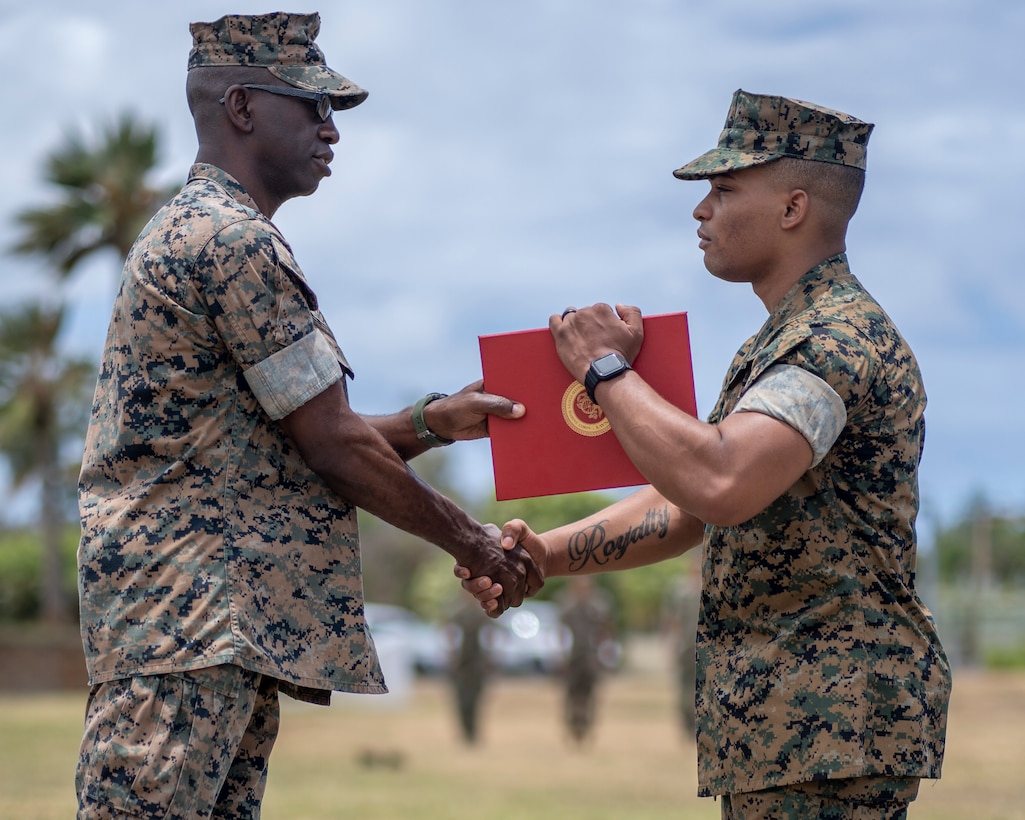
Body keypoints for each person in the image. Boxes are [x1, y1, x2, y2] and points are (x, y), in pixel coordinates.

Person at [74, 12, 539, 819]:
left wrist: (431, 422)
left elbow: (282, 442)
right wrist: (474, 543)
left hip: (203, 630)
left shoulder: (204, 231)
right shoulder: (230, 241)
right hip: (191, 629)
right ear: (243, 107)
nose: (331, 130)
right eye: (313, 107)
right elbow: (331, 445)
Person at [460, 89, 951, 818]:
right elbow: (691, 500)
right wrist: (546, 555)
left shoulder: (834, 342)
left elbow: (720, 479)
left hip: (831, 730)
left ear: (792, 209)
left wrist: (603, 371)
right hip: (791, 730)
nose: (701, 211)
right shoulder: (778, 344)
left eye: (723, 190)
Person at [558, 575, 616, 745]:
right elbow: (561, 632)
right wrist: (561, 655)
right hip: (573, 658)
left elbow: (605, 632)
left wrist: (605, 655)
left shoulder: (598, 607)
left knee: (589, 696)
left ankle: (586, 728)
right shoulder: (567, 606)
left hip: (591, 658)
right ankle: (573, 728)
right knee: (571, 695)